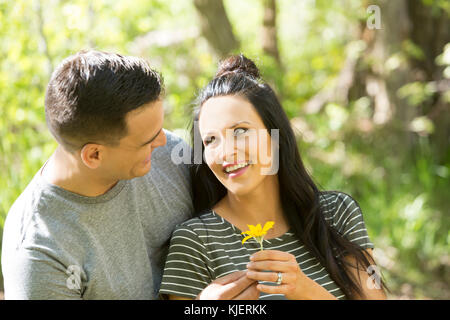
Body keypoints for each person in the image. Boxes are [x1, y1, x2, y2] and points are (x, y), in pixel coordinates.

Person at [159, 54, 388, 300]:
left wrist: (302, 289)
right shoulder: (195, 241)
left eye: (240, 131)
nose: (226, 152)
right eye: (210, 140)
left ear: (275, 137)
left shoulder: (336, 213)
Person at [1, 50, 195, 299]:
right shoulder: (39, 251)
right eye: (148, 140)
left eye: (161, 128)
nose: (163, 141)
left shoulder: (169, 152)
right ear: (94, 155)